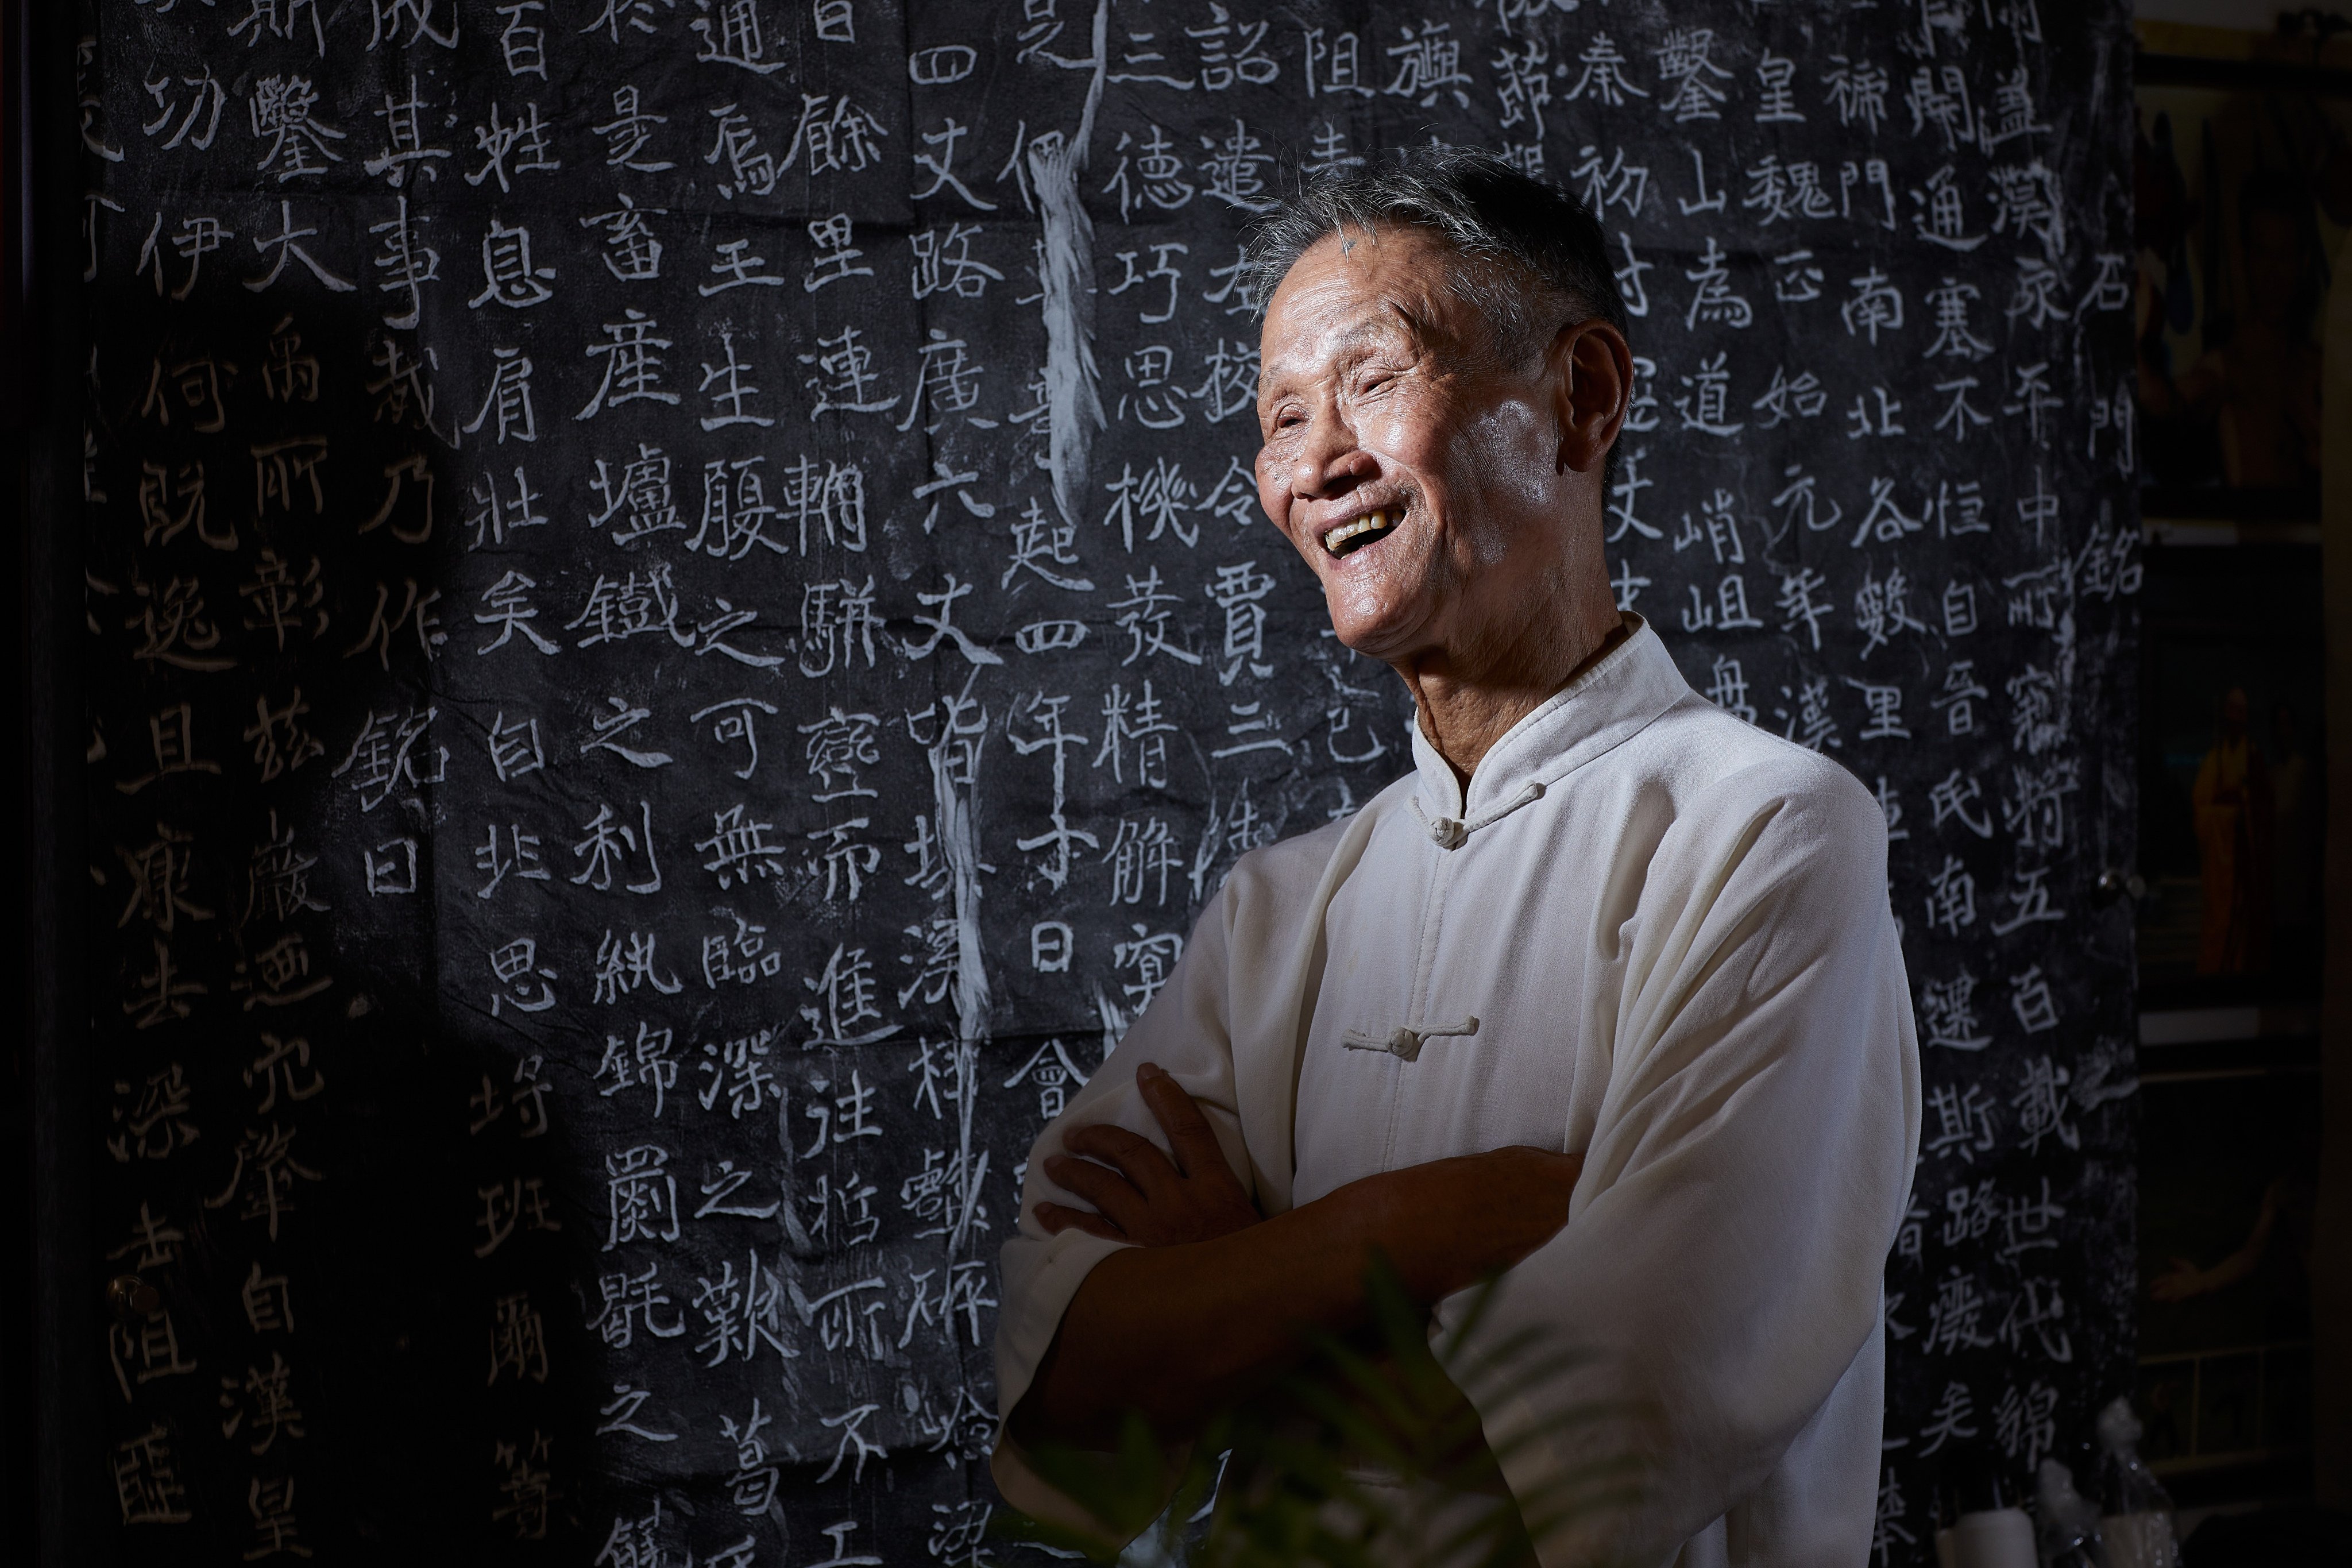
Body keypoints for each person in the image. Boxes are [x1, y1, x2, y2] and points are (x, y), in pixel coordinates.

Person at [991, 150, 1921, 1568]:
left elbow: (1617, 1408)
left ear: (1580, 401)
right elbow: (1060, 1397)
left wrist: (1234, 1285)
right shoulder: (1275, 911)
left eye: (1369, 382)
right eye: (1279, 419)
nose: (1313, 466)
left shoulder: (1768, 832)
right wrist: (1438, 1218)